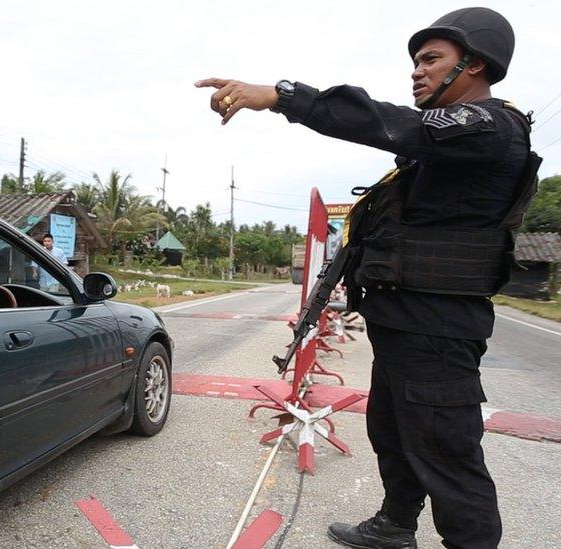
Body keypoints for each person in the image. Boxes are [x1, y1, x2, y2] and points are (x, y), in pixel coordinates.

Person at [196, 7, 540, 549]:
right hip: (405, 321)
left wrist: (286, 96)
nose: (416, 71)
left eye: (431, 60)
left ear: (474, 65)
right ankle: (396, 525)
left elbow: (394, 123)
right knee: (393, 432)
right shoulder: (439, 149)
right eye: (415, 61)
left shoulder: (490, 125)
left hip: (439, 326)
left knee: (447, 455)